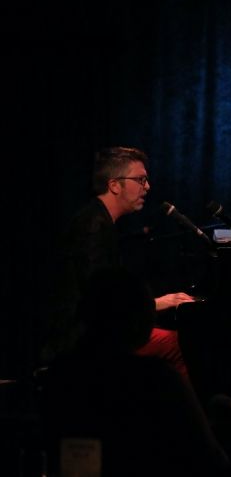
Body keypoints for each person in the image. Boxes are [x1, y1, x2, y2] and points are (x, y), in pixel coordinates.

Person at [39, 266, 230, 477]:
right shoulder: (159, 378)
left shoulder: (60, 372)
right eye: (149, 310)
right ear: (137, 321)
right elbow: (211, 459)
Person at [45, 146, 196, 376]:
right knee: (174, 344)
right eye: (140, 180)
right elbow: (100, 299)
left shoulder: (100, 220)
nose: (147, 186)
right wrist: (155, 304)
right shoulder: (93, 226)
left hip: (98, 331)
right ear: (114, 185)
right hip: (82, 337)